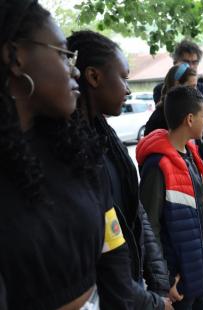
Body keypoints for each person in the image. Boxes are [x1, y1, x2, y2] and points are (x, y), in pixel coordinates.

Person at [0, 1, 134, 309]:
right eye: (63, 54)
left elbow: (113, 253)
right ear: (15, 57)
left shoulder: (77, 151)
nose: (73, 68)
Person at [67, 30, 172, 310]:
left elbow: (135, 212)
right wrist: (152, 302)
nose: (127, 90)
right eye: (123, 78)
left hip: (132, 290)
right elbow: (106, 261)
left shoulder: (106, 138)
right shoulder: (70, 153)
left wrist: (159, 282)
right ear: (93, 76)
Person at [137, 86, 203, 310]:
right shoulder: (158, 165)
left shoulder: (190, 155)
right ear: (190, 119)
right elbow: (149, 227)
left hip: (196, 268)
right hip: (176, 279)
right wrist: (165, 279)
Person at [153, 39, 203, 106]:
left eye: (194, 62)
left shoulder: (202, 89)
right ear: (175, 63)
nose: (190, 66)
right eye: (186, 62)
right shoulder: (160, 90)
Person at [145, 63, 197, 135]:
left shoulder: (186, 111)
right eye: (191, 87)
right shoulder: (162, 117)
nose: (196, 91)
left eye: (195, 86)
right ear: (177, 86)